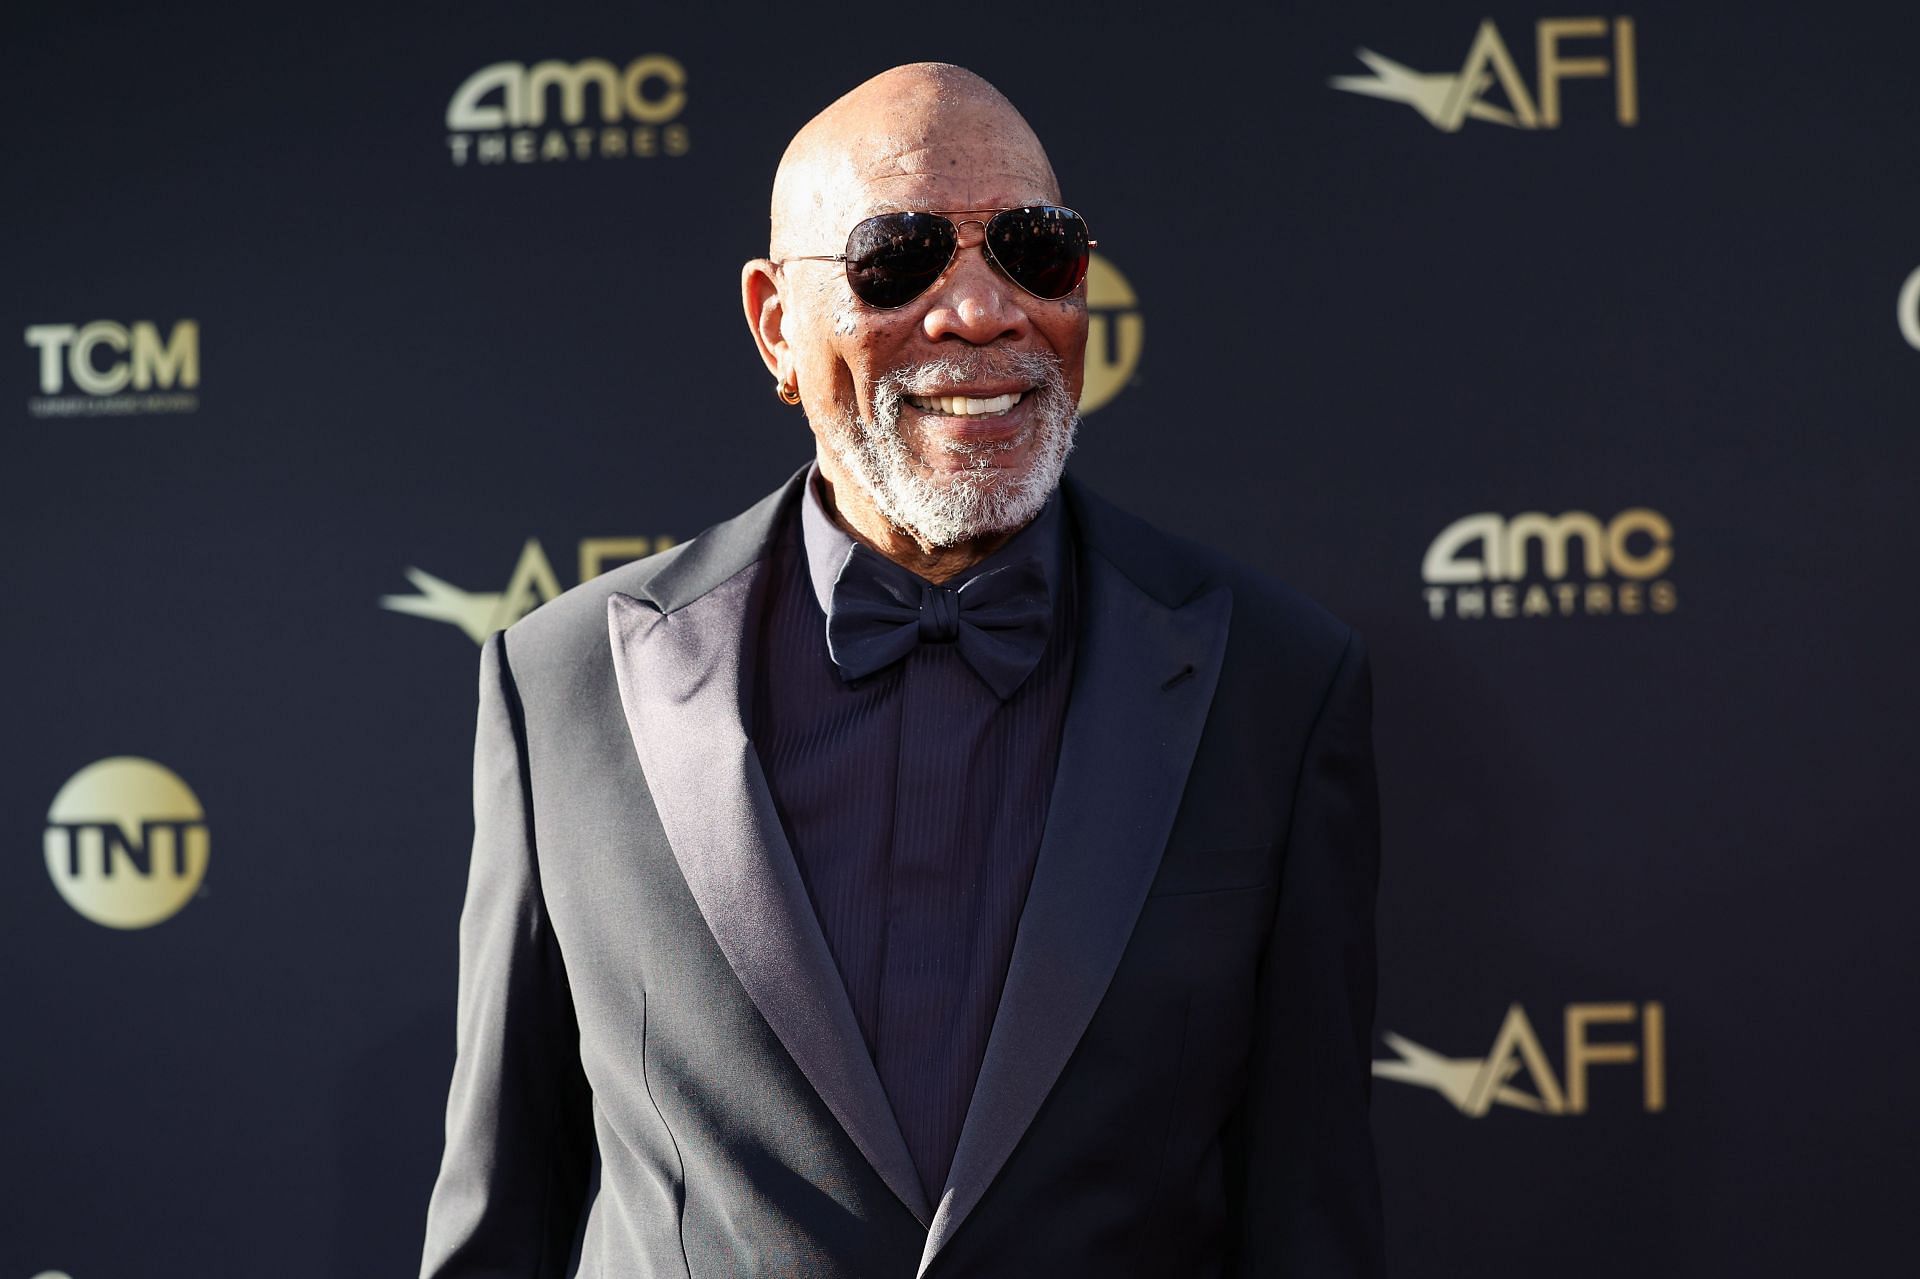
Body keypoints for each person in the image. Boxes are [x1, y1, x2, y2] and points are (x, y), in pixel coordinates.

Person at [421, 63, 1385, 1278]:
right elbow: (504, 1204)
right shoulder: (560, 682)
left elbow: (1310, 1215)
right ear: (777, 323)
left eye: (1034, 251)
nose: (981, 310)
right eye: (899, 256)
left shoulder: (1274, 684)